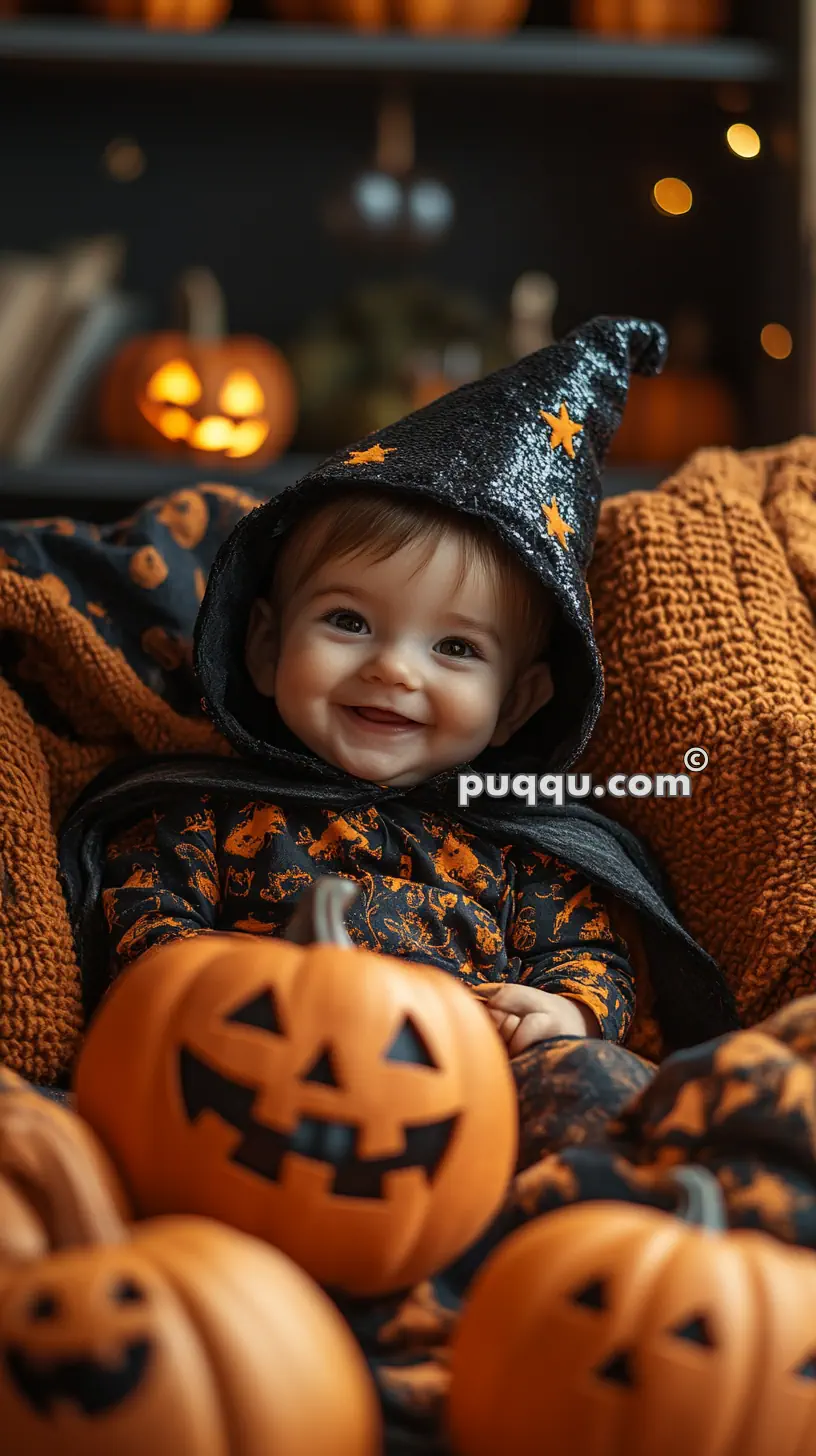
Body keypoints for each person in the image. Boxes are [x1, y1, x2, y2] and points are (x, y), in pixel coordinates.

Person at [61, 316, 739, 1058]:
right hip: (262, 1064)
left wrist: (563, 1013)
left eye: (455, 646)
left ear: (516, 705)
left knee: (597, 1082)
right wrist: (210, 981)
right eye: (349, 621)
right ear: (264, 646)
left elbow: (591, 957)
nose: (394, 669)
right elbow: (146, 930)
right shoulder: (203, 816)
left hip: (460, 1096)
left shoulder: (524, 852)